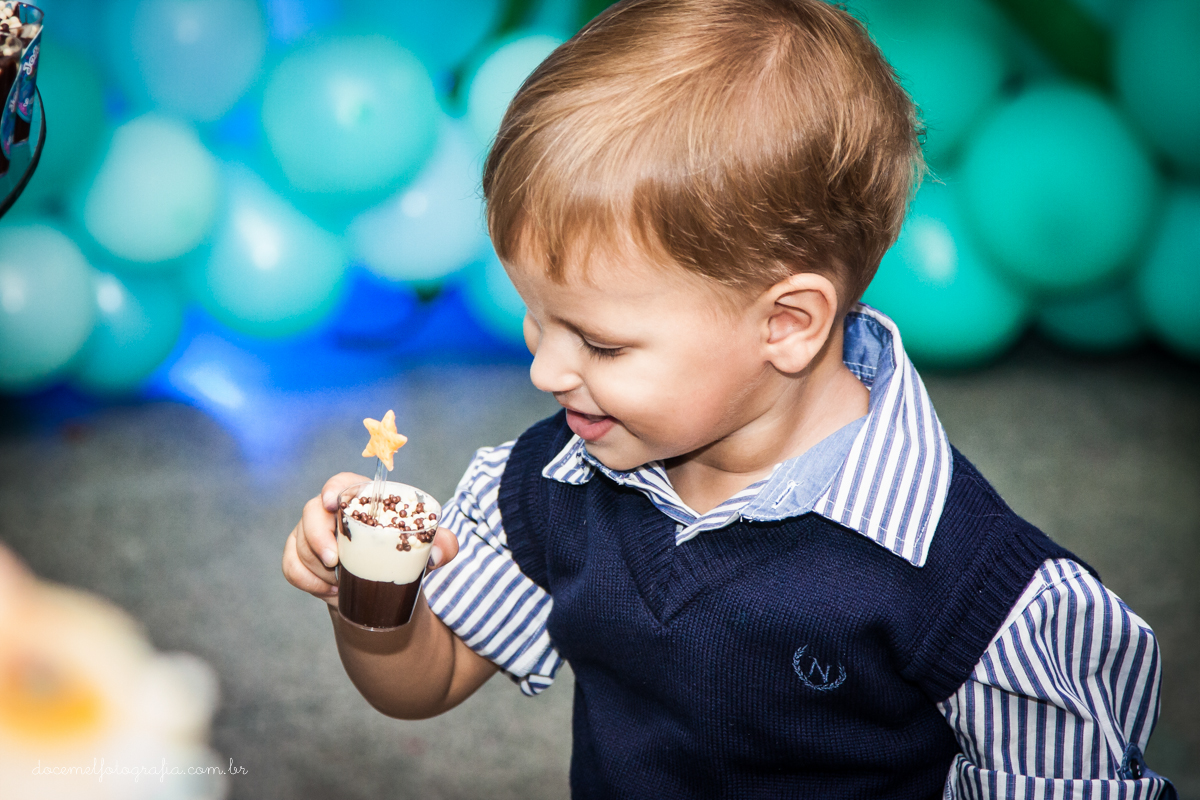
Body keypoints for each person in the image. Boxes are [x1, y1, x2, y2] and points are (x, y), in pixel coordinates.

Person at [282, 1, 1175, 796]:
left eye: (598, 342)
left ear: (787, 324)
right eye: (536, 320)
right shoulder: (554, 484)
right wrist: (370, 600)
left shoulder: (973, 591)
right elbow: (423, 683)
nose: (546, 373)